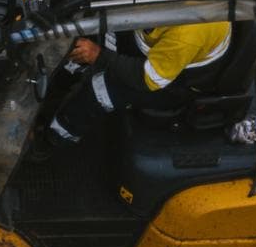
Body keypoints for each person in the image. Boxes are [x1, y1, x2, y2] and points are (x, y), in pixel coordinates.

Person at [40, 21, 233, 152]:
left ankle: (55, 137)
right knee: (87, 39)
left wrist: (99, 56)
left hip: (171, 82)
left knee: (99, 90)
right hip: (151, 43)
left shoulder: (189, 32)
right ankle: (55, 88)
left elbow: (148, 78)